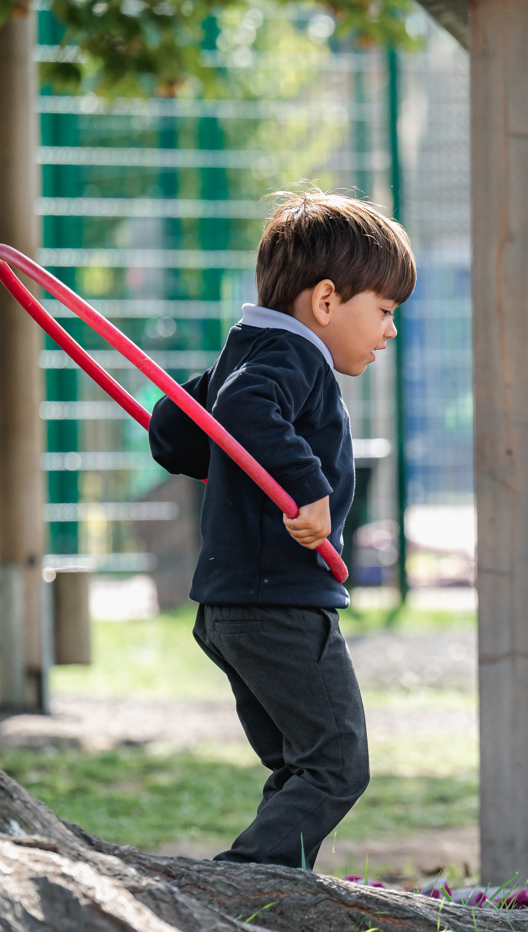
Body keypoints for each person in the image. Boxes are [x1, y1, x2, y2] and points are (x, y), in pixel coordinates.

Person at [149, 188, 414, 868]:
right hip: (280, 606)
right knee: (335, 765)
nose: (389, 330)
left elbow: (177, 436)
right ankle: (242, 889)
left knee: (302, 769)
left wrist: (194, 400)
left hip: (231, 609)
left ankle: (275, 890)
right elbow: (244, 408)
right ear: (326, 302)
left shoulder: (250, 350)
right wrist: (308, 487)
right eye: (383, 311)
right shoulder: (292, 360)